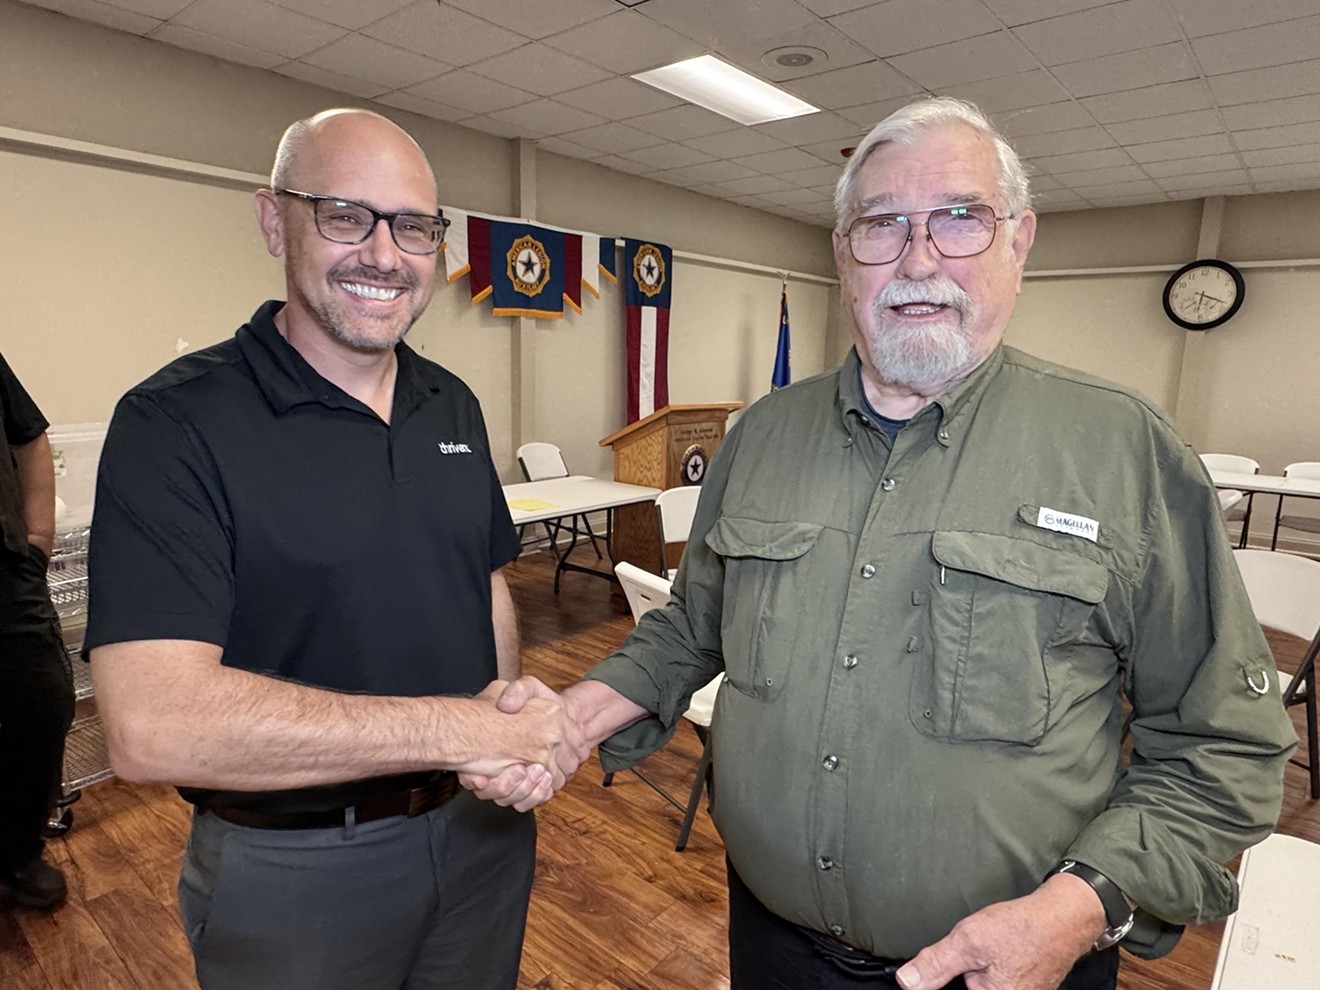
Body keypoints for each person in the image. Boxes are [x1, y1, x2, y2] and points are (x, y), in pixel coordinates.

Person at [466, 97, 1297, 990]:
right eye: (883, 224)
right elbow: (691, 626)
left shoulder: (1124, 451)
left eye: (959, 220)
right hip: (771, 944)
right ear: (843, 252)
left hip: (1012, 968)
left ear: (1018, 243)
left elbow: (1224, 747)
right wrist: (572, 718)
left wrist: (1079, 906)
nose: (918, 258)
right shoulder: (764, 435)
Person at [85, 108, 585, 990]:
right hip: (296, 873)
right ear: (275, 221)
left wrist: (504, 724)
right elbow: (150, 726)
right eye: (345, 215)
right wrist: (461, 726)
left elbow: (484, 580)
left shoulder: (452, 404)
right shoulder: (175, 424)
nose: (384, 255)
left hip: (481, 838)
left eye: (414, 226)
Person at [0, 352, 75, 911]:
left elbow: (30, 440)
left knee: (44, 705)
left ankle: (20, 852)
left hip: (7, 575)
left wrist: (37, 546)